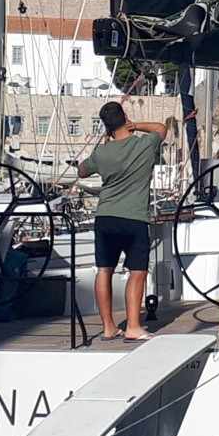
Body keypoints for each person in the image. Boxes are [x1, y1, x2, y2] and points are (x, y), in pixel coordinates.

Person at [77, 101, 167, 340]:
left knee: (104, 270)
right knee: (137, 272)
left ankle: (108, 327)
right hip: (134, 218)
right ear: (125, 117)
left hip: (105, 217)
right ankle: (133, 326)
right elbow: (161, 128)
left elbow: (81, 171)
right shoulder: (145, 144)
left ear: (106, 126)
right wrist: (135, 126)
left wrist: (103, 146)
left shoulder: (102, 153)